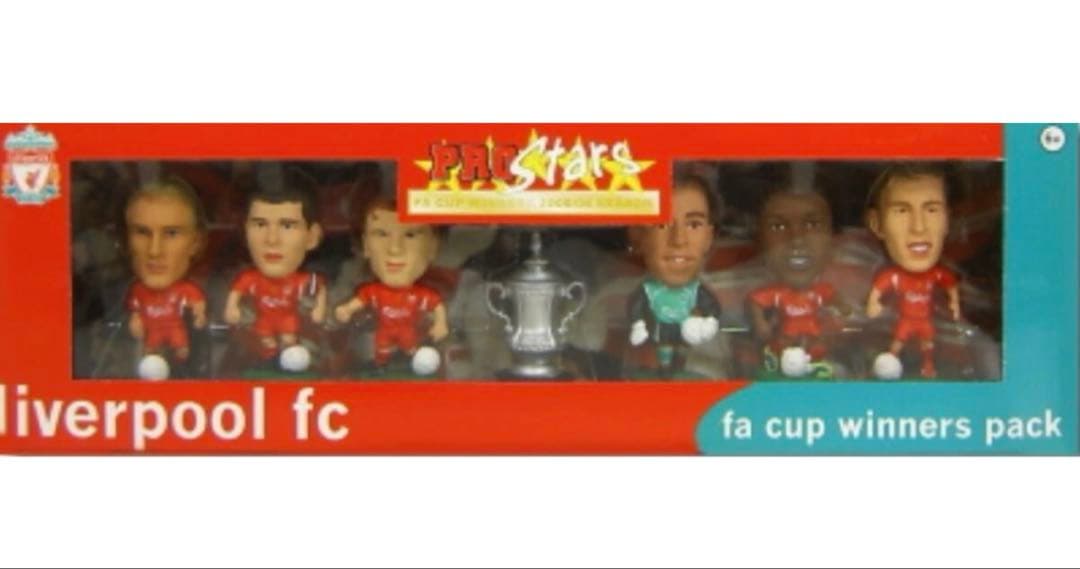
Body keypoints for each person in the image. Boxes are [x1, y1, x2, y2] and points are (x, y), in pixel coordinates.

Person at [865, 162, 960, 379]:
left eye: (932, 210)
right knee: (897, 344)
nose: (918, 227)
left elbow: (950, 287)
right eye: (902, 211)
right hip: (903, 324)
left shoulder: (940, 276)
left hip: (927, 326)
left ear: (947, 220)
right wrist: (873, 304)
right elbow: (876, 294)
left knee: (927, 344)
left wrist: (954, 304)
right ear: (877, 224)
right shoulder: (891, 277)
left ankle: (928, 366)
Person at [334, 197, 448, 375]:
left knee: (411, 348)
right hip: (384, 331)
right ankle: (381, 365)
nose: (395, 249)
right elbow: (359, 301)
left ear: (433, 246)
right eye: (382, 234)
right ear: (365, 245)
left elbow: (436, 306)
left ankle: (412, 362)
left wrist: (441, 324)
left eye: (410, 235)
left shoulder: (422, 293)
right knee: (382, 347)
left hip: (408, 332)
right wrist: (347, 309)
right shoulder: (373, 290)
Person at [224, 176, 327, 372]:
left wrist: (319, 311)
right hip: (262, 327)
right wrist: (232, 309)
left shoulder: (306, 281)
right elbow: (235, 296)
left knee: (289, 343)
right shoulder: (249, 279)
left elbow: (318, 292)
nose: (272, 239)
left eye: (287, 226)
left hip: (290, 326)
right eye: (260, 225)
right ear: (245, 232)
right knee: (266, 346)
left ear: (312, 237)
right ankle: (269, 362)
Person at [625, 175, 722, 376]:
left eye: (693, 225)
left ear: (708, 238)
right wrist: (639, 324)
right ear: (638, 236)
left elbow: (711, 307)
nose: (678, 240)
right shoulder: (620, 298)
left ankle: (676, 366)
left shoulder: (703, 293)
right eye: (662, 224)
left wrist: (709, 322)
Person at [747, 183, 847, 377]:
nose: (796, 239)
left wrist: (843, 315)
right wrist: (761, 325)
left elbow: (843, 308)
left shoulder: (855, 285)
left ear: (833, 238)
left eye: (812, 225)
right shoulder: (732, 293)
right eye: (778, 226)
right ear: (758, 238)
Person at [124, 177, 208, 380]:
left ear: (196, 242)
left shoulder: (205, 297)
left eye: (171, 233)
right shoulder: (120, 303)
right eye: (142, 232)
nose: (155, 251)